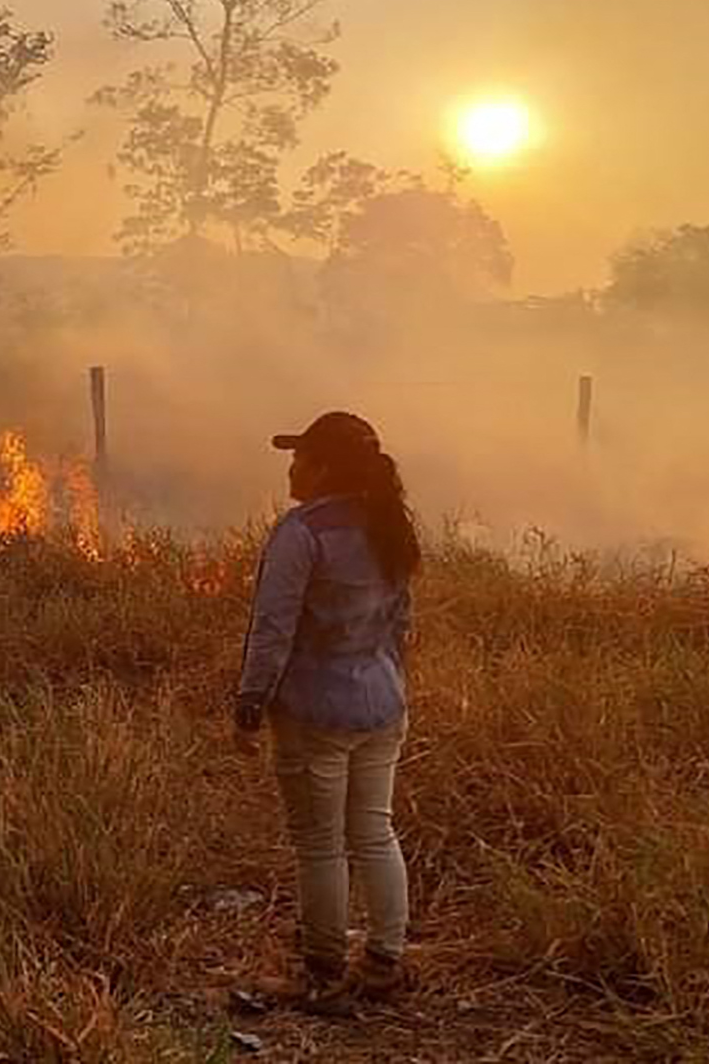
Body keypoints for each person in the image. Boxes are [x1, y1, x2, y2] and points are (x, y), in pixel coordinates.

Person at [233, 411, 421, 1017]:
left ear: (323, 468)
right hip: (382, 704)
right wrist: (390, 683)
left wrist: (250, 702)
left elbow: (272, 630)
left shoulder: (301, 533)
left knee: (319, 843)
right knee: (374, 830)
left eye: (301, 457)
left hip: (315, 713)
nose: (292, 468)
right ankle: (385, 961)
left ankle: (323, 974)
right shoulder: (389, 524)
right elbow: (402, 623)